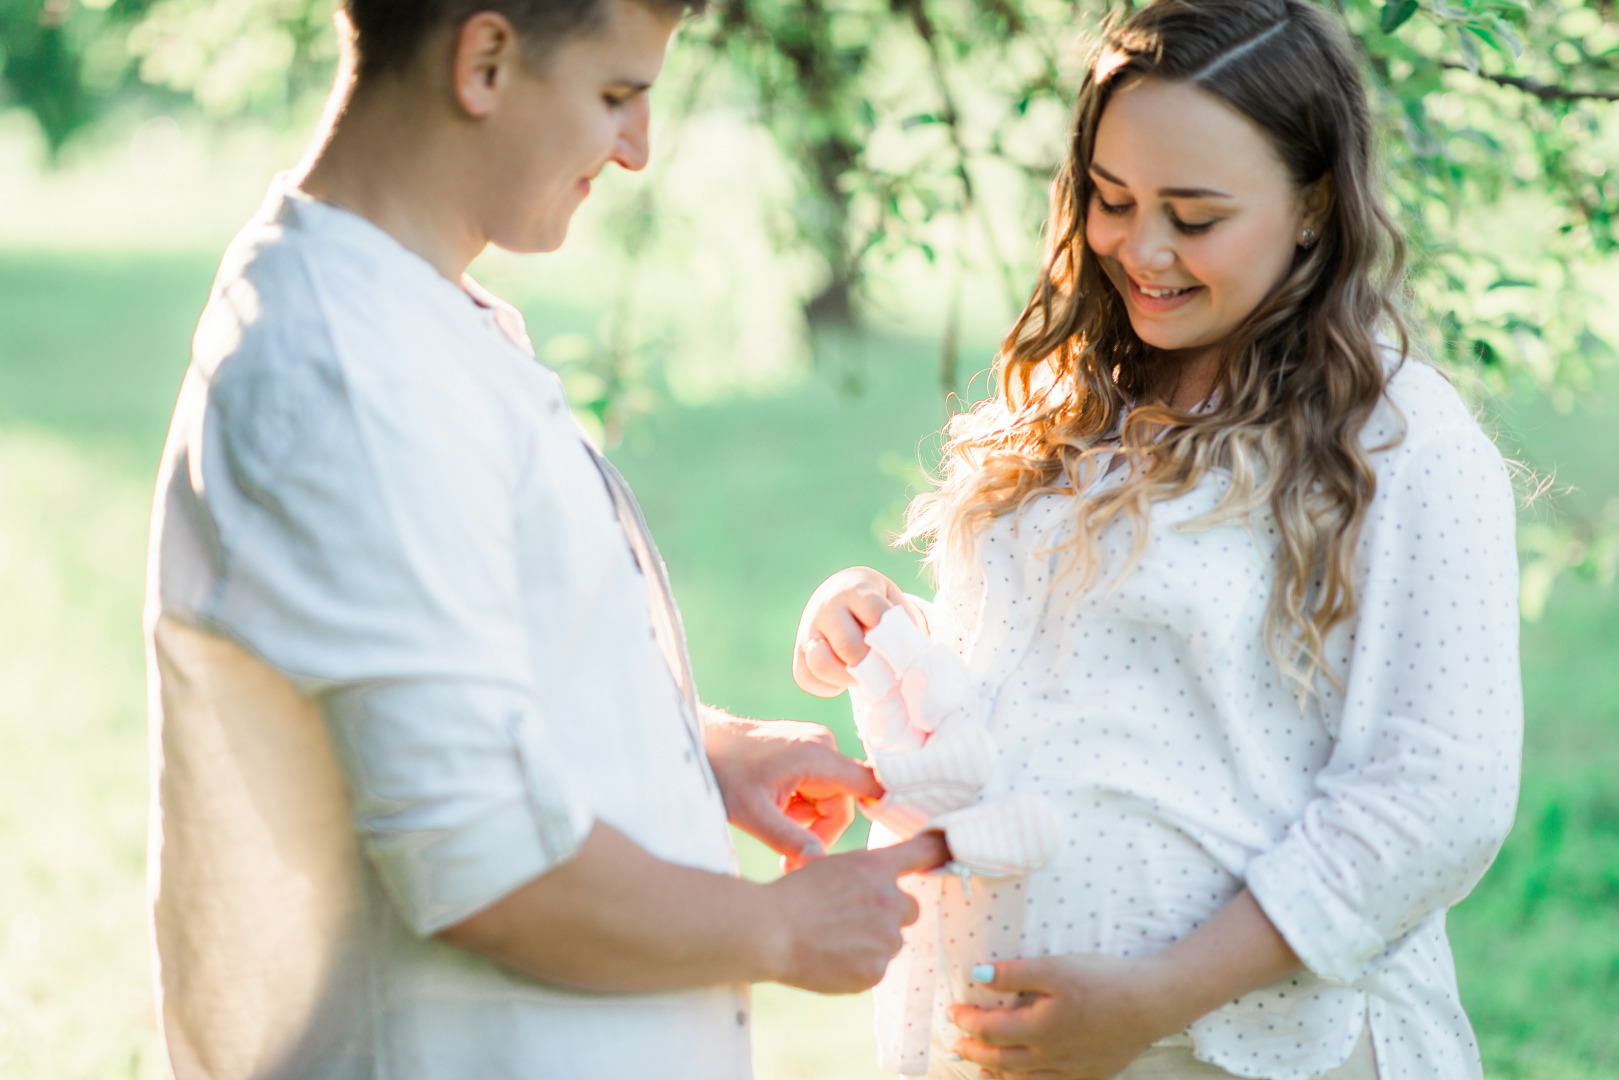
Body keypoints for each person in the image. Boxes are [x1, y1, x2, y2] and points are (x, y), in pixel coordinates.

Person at [143, 1, 947, 1077]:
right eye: (617, 95)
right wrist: (780, 928)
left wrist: (692, 751)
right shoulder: (345, 373)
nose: (635, 149)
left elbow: (447, 676)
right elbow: (481, 863)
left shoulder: (418, 314)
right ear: (483, 60)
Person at [793, 1, 1522, 1078]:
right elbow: (1055, 688)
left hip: (1233, 1048)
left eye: (1194, 215)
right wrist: (890, 630)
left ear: (1313, 201)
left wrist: (1151, 999)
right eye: (1111, 198)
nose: (1142, 249)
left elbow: (1437, 798)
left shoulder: (1400, 442)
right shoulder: (1067, 402)